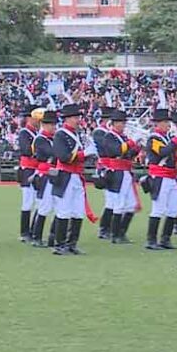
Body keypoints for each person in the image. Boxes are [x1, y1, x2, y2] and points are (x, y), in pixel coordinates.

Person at [52, 104, 97, 255]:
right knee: (64, 211)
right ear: (68, 119)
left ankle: (72, 244)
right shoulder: (60, 135)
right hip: (65, 176)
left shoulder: (77, 135)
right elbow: (64, 157)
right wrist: (84, 154)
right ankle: (60, 245)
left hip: (77, 176)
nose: (78, 120)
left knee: (78, 211)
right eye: (76, 117)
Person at [101, 110, 142, 244]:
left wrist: (137, 147)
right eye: (119, 122)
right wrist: (131, 142)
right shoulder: (109, 136)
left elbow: (128, 154)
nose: (122, 125)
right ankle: (114, 234)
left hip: (126, 172)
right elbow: (116, 151)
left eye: (123, 122)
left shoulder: (124, 137)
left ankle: (121, 232)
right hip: (116, 173)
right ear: (113, 123)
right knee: (118, 204)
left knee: (130, 205)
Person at [145, 107, 177, 250]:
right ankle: (151, 240)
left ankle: (165, 239)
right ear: (158, 124)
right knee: (158, 209)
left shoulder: (167, 137)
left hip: (171, 176)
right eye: (165, 122)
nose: (167, 124)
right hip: (160, 176)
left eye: (167, 122)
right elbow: (162, 152)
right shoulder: (154, 138)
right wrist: (176, 140)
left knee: (174, 209)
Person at [30, 110, 58, 248]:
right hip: (45, 174)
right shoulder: (41, 139)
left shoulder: (52, 139)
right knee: (44, 207)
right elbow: (50, 153)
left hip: (54, 173)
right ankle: (36, 236)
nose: (53, 127)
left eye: (54, 124)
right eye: (50, 124)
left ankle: (53, 236)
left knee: (57, 206)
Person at [17, 105, 41, 242]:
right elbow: (26, 150)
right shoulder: (24, 133)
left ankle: (33, 230)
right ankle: (25, 232)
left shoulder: (37, 133)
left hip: (37, 169)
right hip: (27, 170)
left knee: (39, 201)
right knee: (28, 201)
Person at [93, 107, 113, 240]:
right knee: (110, 200)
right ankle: (104, 228)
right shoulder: (100, 132)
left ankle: (109, 227)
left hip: (114, 166)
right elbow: (106, 147)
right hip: (105, 166)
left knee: (115, 200)